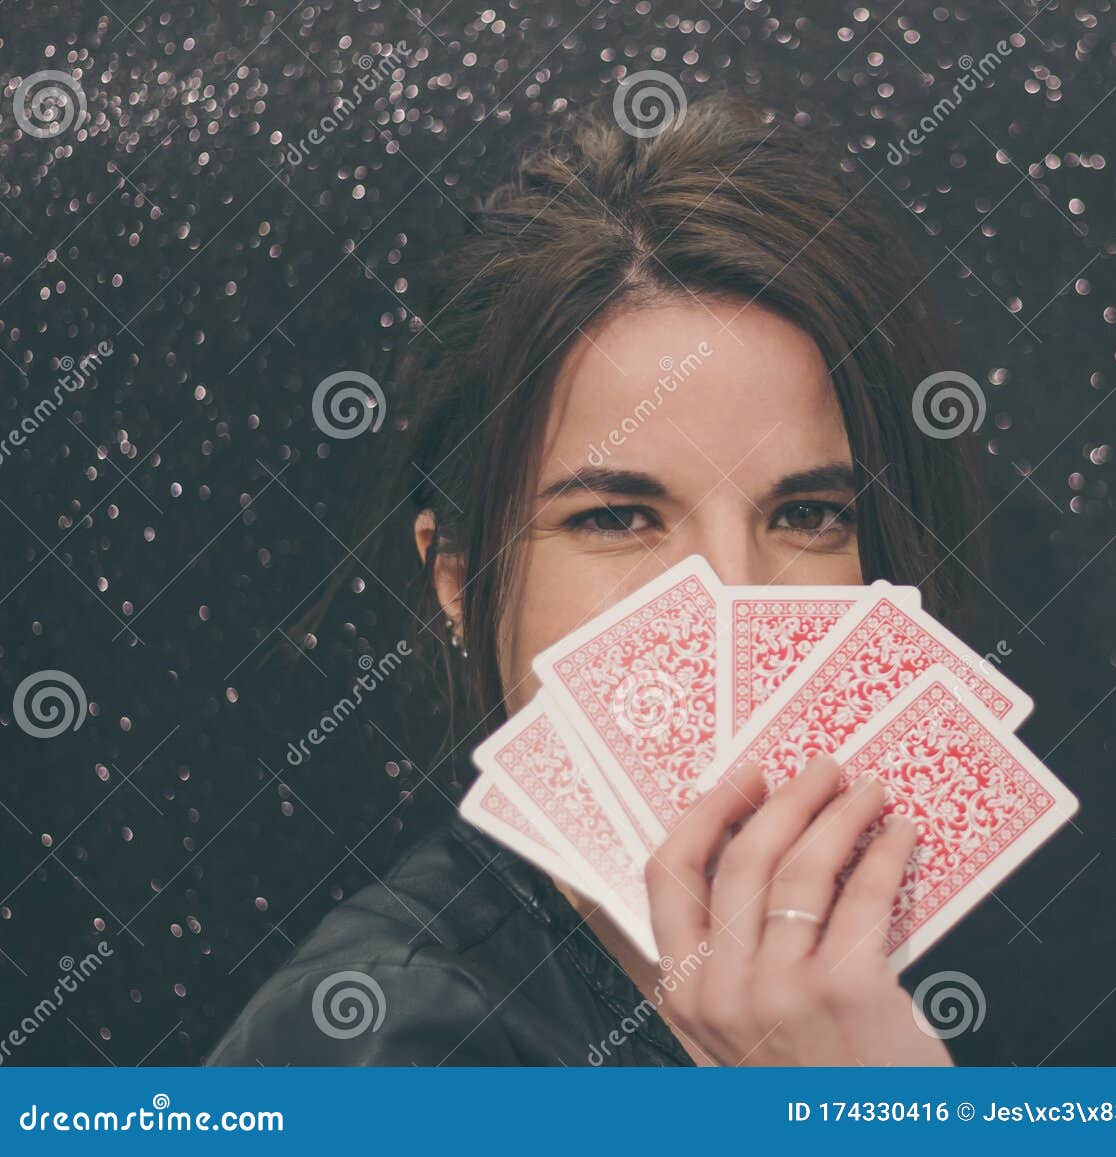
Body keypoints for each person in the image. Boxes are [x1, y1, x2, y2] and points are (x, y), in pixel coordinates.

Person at [210, 93, 983, 1066]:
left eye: (807, 514)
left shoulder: (859, 952)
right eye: (617, 517)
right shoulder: (389, 1042)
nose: (729, 604)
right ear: (457, 582)